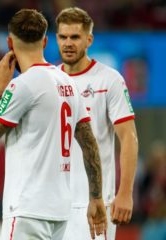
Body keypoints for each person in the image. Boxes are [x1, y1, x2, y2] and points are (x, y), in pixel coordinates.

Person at [0, 9, 107, 240]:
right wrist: (96, 197)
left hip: (27, 209)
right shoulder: (68, 83)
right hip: (59, 213)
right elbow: (89, 143)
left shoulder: (22, 86)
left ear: (10, 43)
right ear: (45, 41)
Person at [55, 7, 139, 240]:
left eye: (75, 37)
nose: (68, 43)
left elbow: (128, 139)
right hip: (51, 201)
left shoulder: (108, 80)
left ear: (89, 39)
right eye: (63, 37)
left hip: (93, 203)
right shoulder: (49, 80)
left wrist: (125, 193)